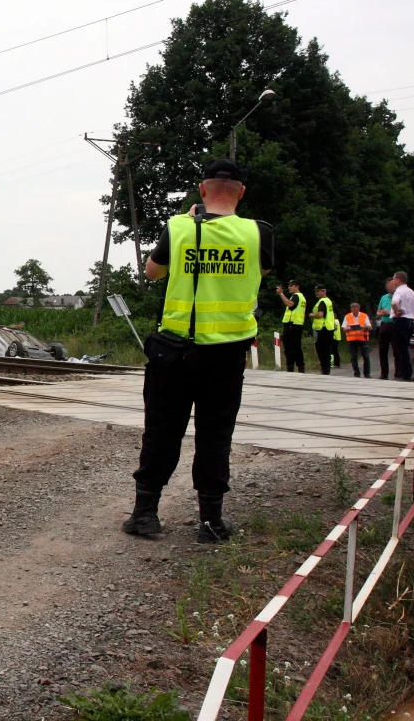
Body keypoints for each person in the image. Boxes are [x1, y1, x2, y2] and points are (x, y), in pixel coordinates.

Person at [122, 159, 273, 544]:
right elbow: (260, 272)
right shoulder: (259, 233)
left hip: (173, 352)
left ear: (202, 190)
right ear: (241, 193)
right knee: (215, 436)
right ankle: (211, 522)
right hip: (226, 355)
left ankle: (145, 515)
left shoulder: (178, 227)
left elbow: (152, 272)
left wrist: (190, 224)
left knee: (162, 431)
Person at [389, 271, 414, 381]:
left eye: (394, 279)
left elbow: (394, 303)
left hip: (401, 321)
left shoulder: (399, 291)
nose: (393, 281)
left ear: (398, 279)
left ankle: (404, 374)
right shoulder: (412, 292)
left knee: (401, 349)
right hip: (410, 321)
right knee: (406, 347)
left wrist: (396, 312)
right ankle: (407, 372)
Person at [275, 280, 306, 372]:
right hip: (297, 324)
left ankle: (291, 367)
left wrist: (281, 294)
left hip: (292, 325)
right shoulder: (301, 297)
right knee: (296, 347)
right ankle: (300, 367)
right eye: (289, 286)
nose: (289, 287)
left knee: (289, 347)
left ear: (297, 286)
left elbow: (289, 304)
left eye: (291, 286)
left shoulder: (297, 296)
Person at [342, 302, 372, 378]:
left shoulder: (364, 315)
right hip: (352, 339)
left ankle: (367, 373)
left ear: (359, 308)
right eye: (353, 308)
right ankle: (356, 373)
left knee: (366, 356)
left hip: (363, 339)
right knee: (353, 357)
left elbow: (369, 327)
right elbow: (344, 328)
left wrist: (364, 327)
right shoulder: (347, 316)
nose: (355, 310)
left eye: (356, 308)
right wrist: (348, 329)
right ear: (351, 309)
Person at [310, 286, 335, 375]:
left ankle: (325, 369)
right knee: (325, 349)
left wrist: (312, 315)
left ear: (324, 291)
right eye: (315, 291)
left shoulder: (322, 301)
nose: (316, 293)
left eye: (318, 291)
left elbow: (320, 314)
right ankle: (326, 368)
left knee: (322, 349)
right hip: (328, 328)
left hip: (324, 328)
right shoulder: (328, 301)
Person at [375, 279, 395, 379]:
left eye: (391, 285)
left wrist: (389, 313)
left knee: (396, 350)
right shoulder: (384, 297)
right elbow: (378, 312)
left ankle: (398, 373)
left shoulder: (398, 297)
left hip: (394, 324)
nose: (389, 287)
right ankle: (384, 373)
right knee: (382, 350)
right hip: (384, 324)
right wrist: (380, 313)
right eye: (387, 285)